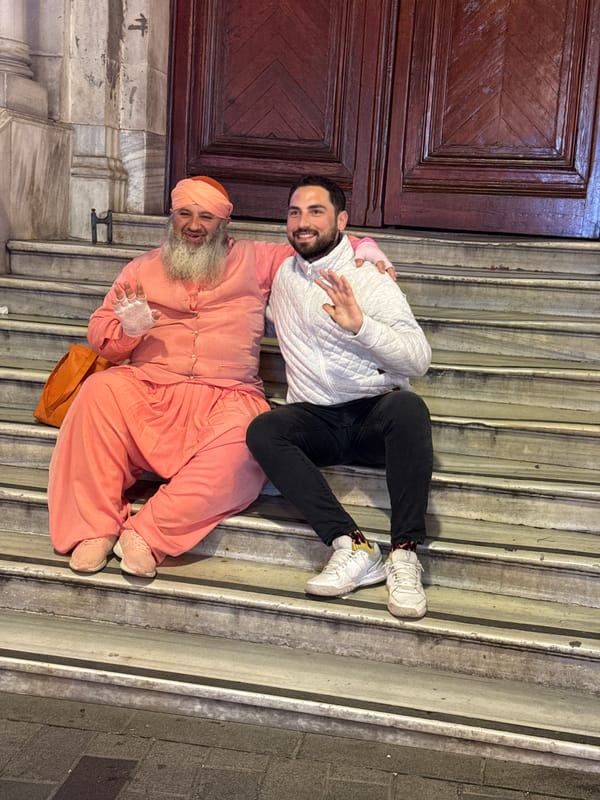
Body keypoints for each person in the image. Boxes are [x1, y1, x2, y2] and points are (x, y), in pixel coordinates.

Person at [48, 175, 391, 579]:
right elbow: (101, 334)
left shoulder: (257, 259)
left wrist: (366, 248)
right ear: (171, 218)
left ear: (222, 223)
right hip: (148, 390)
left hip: (228, 397)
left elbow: (315, 245)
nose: (194, 225)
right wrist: (129, 330)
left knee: (251, 442)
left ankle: (148, 534)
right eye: (185, 214)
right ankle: (95, 529)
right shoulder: (141, 268)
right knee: (98, 392)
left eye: (206, 216)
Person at [246, 175, 433, 618]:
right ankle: (353, 545)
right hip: (319, 420)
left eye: (316, 211)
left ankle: (404, 553)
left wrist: (361, 327)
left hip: (373, 417)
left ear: (342, 220)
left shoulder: (370, 277)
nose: (303, 222)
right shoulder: (283, 274)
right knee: (264, 429)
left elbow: (419, 359)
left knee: (409, 407)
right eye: (295, 212)